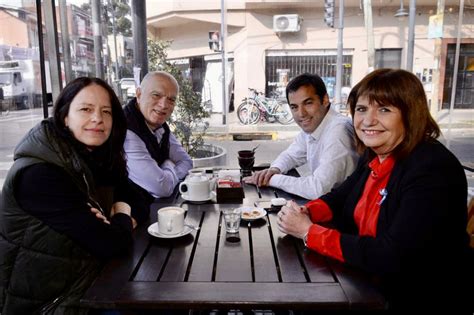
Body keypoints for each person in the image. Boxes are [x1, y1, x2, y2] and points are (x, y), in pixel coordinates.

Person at [277, 69, 473, 312]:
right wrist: (307, 211)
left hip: (416, 298)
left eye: (384, 109)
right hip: (365, 281)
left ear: (410, 114)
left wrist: (309, 232)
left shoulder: (431, 169)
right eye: (361, 109)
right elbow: (342, 196)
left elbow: (391, 256)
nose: (367, 121)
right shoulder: (376, 154)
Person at [0, 77, 147, 314]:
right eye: (86, 109)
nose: (98, 118)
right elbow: (112, 244)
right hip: (51, 303)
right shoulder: (39, 175)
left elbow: (140, 199)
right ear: (64, 116)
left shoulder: (93, 157)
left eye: (106, 111)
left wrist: (121, 217)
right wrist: (121, 215)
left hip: (88, 281)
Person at [244, 73, 358, 199]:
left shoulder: (338, 130)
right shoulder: (316, 124)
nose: (301, 113)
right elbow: (292, 155)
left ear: (325, 100)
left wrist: (272, 179)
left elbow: (318, 188)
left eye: (308, 103)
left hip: (345, 213)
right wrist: (274, 169)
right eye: (294, 107)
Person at [123, 71, 193, 200]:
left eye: (171, 100)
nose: (164, 105)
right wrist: (168, 164)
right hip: (130, 214)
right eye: (156, 95)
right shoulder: (126, 131)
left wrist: (165, 174)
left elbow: (186, 162)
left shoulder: (158, 124)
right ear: (139, 94)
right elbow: (162, 188)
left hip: (155, 207)